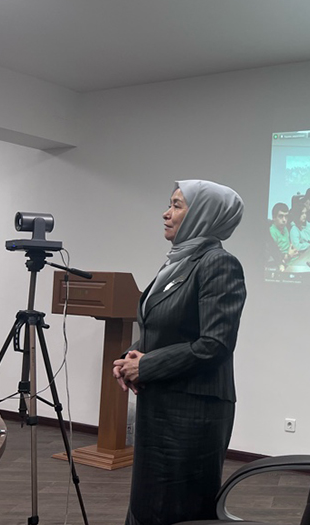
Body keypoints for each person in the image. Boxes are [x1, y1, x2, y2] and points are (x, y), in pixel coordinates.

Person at [113, 180, 246, 525]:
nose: (165, 213)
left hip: (192, 412)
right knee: (148, 504)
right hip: (161, 403)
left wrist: (147, 366)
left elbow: (215, 343)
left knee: (175, 509)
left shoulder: (218, 263)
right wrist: (132, 357)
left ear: (203, 214)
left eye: (176, 205)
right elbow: (163, 329)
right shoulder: (178, 262)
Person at [269, 202, 298, 271]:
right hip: (284, 265)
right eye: (281, 216)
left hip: (293, 260)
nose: (284, 220)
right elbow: (274, 256)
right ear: (274, 217)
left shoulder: (284, 228)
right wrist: (289, 255)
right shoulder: (271, 232)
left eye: (286, 216)